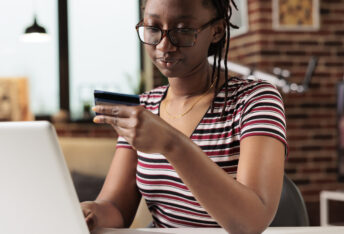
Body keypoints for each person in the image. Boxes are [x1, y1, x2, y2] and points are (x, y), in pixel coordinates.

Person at [81, 0, 287, 233]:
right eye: (153, 28)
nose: (164, 45)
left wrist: (171, 143)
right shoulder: (145, 107)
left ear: (217, 31)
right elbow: (116, 207)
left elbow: (252, 221)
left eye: (183, 30)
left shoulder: (254, 99)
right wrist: (91, 213)